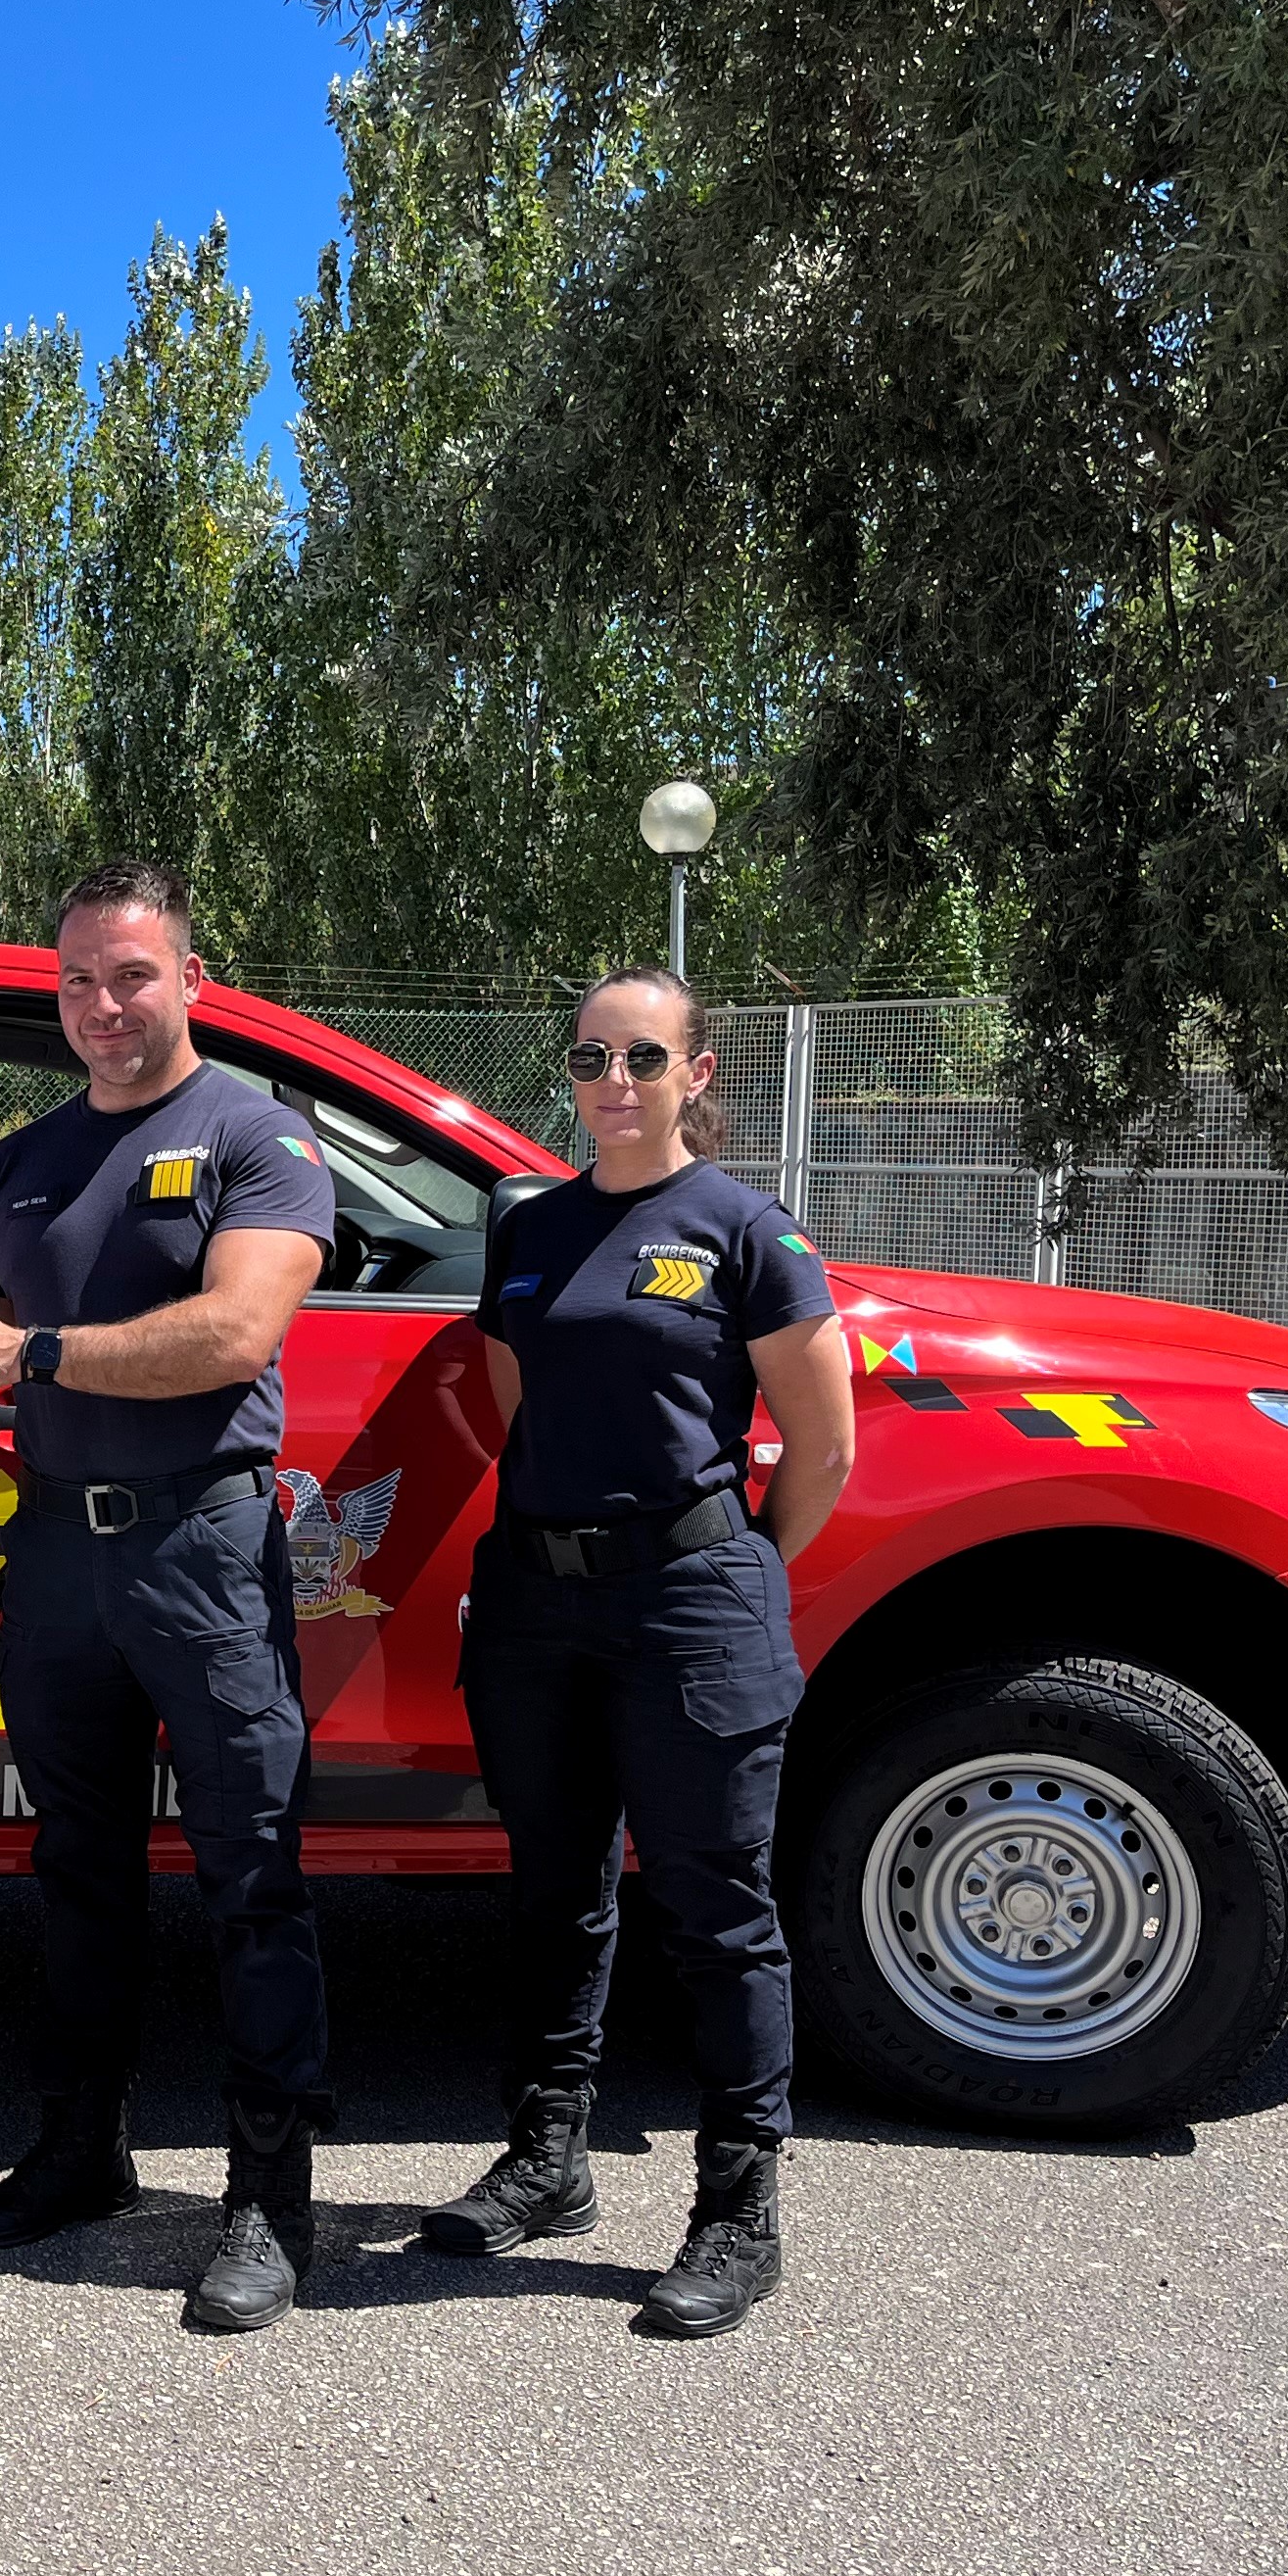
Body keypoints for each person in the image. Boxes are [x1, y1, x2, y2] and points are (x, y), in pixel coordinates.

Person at [0, 859, 341, 2336]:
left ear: (191, 978)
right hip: (57, 1552)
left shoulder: (261, 1137)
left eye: (131, 976)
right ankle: (79, 2149)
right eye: (76, 981)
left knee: (254, 1877)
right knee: (79, 1871)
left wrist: (36, 1357)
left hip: (203, 1552)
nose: (103, 1007)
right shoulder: (23, 1161)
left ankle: (268, 2198)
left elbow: (237, 1330)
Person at [421, 963, 855, 2339]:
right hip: (542, 1604)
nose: (615, 1083)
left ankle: (739, 2209)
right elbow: (514, 1402)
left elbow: (825, 1442)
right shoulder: (532, 1230)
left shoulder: (745, 1229)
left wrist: (727, 1570)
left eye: (645, 1060)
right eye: (593, 1058)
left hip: (689, 1602)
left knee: (715, 1909)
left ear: (698, 1076)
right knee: (555, 1892)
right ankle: (548, 2163)